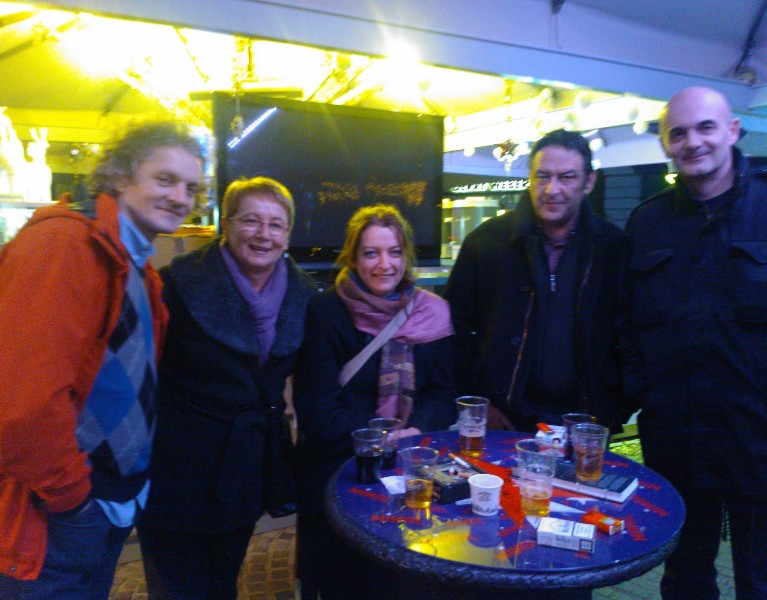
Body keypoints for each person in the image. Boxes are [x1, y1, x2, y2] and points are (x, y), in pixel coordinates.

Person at [0, 119, 204, 598]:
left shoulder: (138, 268)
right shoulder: (63, 245)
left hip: (107, 501)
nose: (180, 197)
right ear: (119, 176)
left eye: (191, 187)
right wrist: (74, 502)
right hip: (54, 513)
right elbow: (23, 406)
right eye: (165, 179)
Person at [624, 86, 767, 599]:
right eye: (678, 133)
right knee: (684, 582)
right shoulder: (648, 222)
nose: (693, 142)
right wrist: (647, 393)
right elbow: (627, 323)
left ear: (732, 131)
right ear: (664, 144)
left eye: (705, 127)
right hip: (678, 441)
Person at [136, 176, 317, 599]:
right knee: (176, 585)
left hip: (245, 465)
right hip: (176, 466)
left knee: (224, 579)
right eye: (250, 220)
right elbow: (140, 374)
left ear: (288, 235)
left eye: (275, 224)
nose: (263, 234)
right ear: (227, 224)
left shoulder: (306, 296)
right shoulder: (176, 284)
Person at [293, 204, 456, 599]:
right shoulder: (326, 311)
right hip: (339, 470)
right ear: (353, 257)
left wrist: (415, 430)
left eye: (395, 252)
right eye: (371, 253)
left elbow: (442, 394)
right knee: (341, 580)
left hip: (409, 468)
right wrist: (383, 438)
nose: (385, 264)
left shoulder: (432, 313)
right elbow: (317, 409)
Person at [445, 129, 629, 434]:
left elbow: (629, 333)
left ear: (589, 181)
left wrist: (615, 406)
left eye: (566, 177)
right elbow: (454, 328)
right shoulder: (486, 242)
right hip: (504, 418)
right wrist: (477, 401)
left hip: (586, 422)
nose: (552, 189)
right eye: (542, 177)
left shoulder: (612, 247)